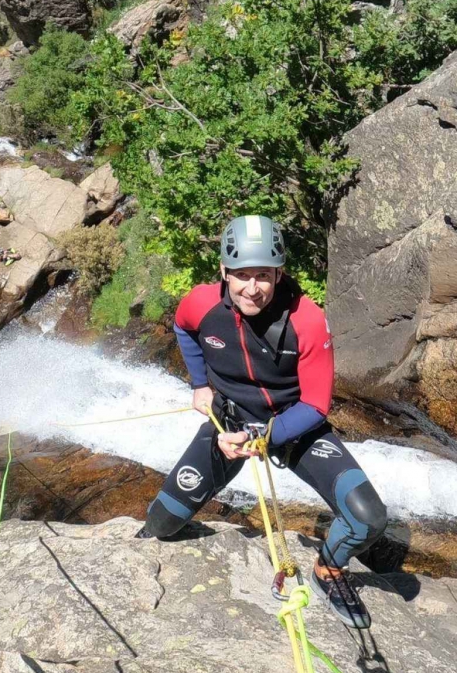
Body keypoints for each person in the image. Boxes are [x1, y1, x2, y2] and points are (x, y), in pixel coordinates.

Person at [139, 215, 388, 628]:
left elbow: (315, 406)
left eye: (263, 276)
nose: (251, 288)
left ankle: (328, 572)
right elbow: (183, 329)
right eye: (240, 275)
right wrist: (200, 384)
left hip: (295, 428)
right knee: (161, 524)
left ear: (279, 274)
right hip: (230, 422)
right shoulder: (200, 303)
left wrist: (262, 436)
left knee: (368, 518)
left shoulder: (306, 321)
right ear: (223, 272)